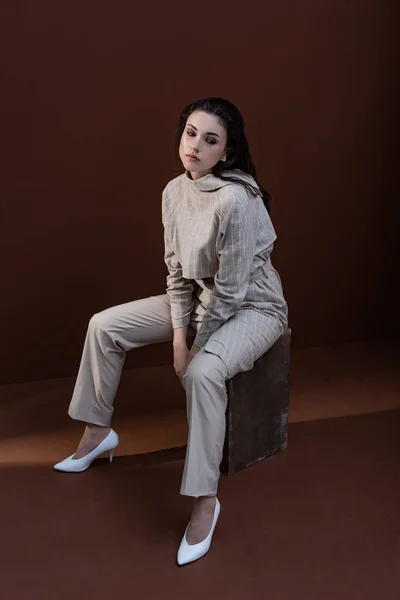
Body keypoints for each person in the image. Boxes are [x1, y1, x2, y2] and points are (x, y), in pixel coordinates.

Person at [53, 97, 288, 566]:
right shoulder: (173, 192)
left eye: (210, 140)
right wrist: (180, 339)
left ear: (227, 151)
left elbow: (232, 288)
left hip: (253, 307)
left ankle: (205, 500)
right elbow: (178, 275)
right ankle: (97, 431)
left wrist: (195, 348)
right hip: (201, 301)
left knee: (202, 374)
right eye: (190, 133)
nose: (195, 146)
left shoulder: (237, 199)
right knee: (104, 325)